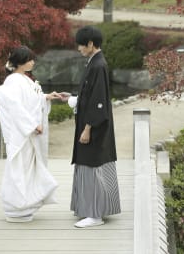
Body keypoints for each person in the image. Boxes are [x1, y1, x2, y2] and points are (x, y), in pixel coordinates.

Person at [60, 25, 121, 228]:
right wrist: (72, 99)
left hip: (93, 127)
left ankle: (95, 215)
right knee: (90, 164)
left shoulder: (98, 65)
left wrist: (88, 128)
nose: (79, 48)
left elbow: (98, 101)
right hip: (90, 123)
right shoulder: (94, 63)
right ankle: (89, 209)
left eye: (81, 44)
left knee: (92, 165)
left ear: (91, 44)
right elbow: (90, 96)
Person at [0, 45, 60, 223]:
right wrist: (32, 125)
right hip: (22, 134)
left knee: (27, 169)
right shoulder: (15, 81)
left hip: (27, 133)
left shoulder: (24, 79)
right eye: (30, 59)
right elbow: (16, 107)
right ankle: (17, 207)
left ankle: (25, 205)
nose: (33, 62)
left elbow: (30, 100)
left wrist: (46, 97)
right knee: (21, 169)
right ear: (21, 62)